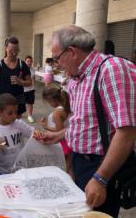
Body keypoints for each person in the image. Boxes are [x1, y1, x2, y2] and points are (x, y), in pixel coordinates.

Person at [34, 25, 136, 217]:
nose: (56, 65)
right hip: (81, 162)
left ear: (71, 52)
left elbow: (127, 132)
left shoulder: (111, 70)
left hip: (102, 165)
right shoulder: (75, 79)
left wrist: (101, 178)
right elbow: (86, 121)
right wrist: (60, 135)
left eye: (57, 59)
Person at [0, 93, 36, 175]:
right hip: (0, 170)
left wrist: (37, 132)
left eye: (16, 112)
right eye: (10, 113)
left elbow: (33, 133)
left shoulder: (19, 124)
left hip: (20, 169)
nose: (14, 116)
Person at [0, 36, 32, 116]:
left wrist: (21, 82)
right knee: (4, 123)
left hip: (18, 100)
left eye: (16, 50)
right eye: (11, 50)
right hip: (3, 100)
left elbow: (29, 82)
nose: (14, 53)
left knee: (16, 123)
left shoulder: (22, 64)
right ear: (6, 48)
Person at [39, 84, 73, 178]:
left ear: (52, 100)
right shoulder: (68, 106)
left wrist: (46, 126)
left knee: (65, 167)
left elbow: (59, 130)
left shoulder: (57, 113)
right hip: (70, 139)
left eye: (48, 101)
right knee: (70, 167)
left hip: (63, 142)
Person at [23, 55, 36, 123]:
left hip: (31, 89)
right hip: (23, 90)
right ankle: (18, 114)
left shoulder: (33, 69)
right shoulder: (22, 69)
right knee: (21, 103)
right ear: (25, 62)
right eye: (28, 61)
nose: (29, 62)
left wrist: (34, 86)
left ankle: (30, 116)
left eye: (31, 61)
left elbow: (33, 78)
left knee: (30, 103)